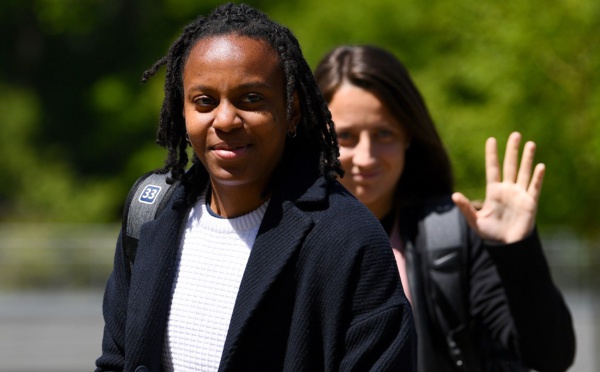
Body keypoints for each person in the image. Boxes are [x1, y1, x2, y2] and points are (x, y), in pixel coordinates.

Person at [95, 5, 416, 372]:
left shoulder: (348, 238)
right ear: (180, 110)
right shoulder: (150, 216)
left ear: (292, 110)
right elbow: (115, 362)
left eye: (251, 99)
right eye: (205, 101)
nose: (226, 119)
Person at [314, 45, 575, 371]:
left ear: (408, 136)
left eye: (384, 134)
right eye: (347, 136)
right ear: (318, 137)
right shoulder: (281, 235)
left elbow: (550, 356)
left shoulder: (455, 238)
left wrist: (517, 250)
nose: (366, 157)